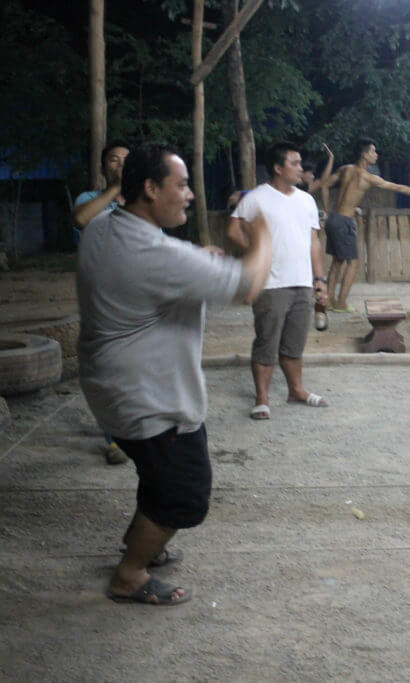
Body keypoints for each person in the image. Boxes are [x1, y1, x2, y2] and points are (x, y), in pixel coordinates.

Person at [77, 143, 273, 605]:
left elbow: (160, 260)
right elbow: (248, 286)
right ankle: (129, 574)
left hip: (111, 390)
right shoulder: (155, 256)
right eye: (181, 184)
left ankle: (140, 543)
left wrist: (193, 257)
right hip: (152, 398)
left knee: (154, 470)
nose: (189, 194)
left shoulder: (103, 228)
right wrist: (263, 236)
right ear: (149, 188)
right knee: (183, 493)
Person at [227, 141, 329, 420]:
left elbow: (314, 242)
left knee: (294, 342)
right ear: (277, 167)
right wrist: (256, 250)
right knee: (267, 341)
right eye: (294, 164)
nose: (301, 169)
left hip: (302, 282)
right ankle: (262, 398)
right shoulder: (257, 198)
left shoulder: (307, 200)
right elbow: (233, 231)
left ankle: (296, 389)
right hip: (269, 284)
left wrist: (319, 279)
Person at [320, 137, 410, 313]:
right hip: (345, 222)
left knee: (337, 262)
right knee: (353, 263)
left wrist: (326, 210)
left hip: (333, 220)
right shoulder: (368, 177)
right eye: (373, 151)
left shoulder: (344, 169)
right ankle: (340, 303)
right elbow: (399, 188)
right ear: (364, 155)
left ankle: (329, 300)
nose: (376, 155)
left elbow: (324, 186)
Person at [73, 139, 131, 465]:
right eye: (113, 160)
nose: (119, 164)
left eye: (126, 160)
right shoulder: (90, 199)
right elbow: (81, 221)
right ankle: (113, 439)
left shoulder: (144, 202)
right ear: (103, 167)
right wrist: (115, 191)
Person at [299, 144, 334, 332]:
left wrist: (331, 160)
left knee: (318, 278)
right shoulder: (291, 191)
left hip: (309, 240)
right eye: (309, 173)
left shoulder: (306, 191)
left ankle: (320, 312)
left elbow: (323, 180)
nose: (312, 176)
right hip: (297, 242)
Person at [73, 140, 130, 237]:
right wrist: (117, 186)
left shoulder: (142, 201)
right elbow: (80, 219)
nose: (121, 164)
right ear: (102, 169)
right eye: (114, 160)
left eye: (127, 160)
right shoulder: (88, 198)